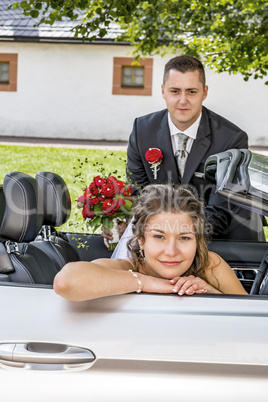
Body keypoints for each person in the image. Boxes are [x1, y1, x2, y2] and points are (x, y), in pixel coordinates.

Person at [102, 54, 264, 247]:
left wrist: (162, 231)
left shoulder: (231, 139)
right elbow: (138, 193)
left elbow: (220, 215)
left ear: (204, 92)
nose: (183, 100)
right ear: (163, 91)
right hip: (163, 241)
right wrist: (127, 224)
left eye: (191, 91)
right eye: (175, 91)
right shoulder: (142, 130)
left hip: (223, 244)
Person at [54, 185, 247, 302]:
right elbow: (66, 282)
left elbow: (254, 320)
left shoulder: (209, 265)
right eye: (159, 236)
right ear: (141, 239)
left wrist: (210, 293)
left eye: (185, 238)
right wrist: (146, 283)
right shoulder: (124, 268)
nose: (171, 252)